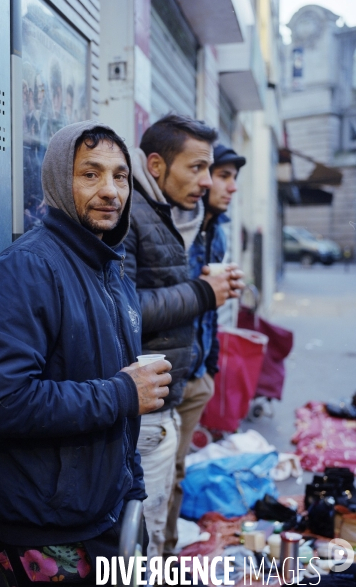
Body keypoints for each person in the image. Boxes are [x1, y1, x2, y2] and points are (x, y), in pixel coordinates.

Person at [0, 121, 172, 586]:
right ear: (60, 179)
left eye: (120, 176)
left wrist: (131, 488)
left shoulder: (110, 271)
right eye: (90, 174)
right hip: (47, 527)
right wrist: (122, 393)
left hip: (104, 512)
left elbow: (120, 399)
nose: (110, 191)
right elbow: (1, 403)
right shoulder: (27, 270)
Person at [123, 114, 239, 560]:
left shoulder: (168, 212)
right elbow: (127, 310)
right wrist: (203, 292)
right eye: (197, 168)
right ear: (155, 166)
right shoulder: (131, 214)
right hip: (143, 402)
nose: (207, 182)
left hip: (170, 390)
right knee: (140, 538)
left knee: (156, 520)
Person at [164, 143, 246, 556]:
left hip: (197, 375)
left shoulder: (219, 231)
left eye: (234, 178)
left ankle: (167, 557)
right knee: (162, 474)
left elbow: (210, 312)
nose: (229, 186)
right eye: (223, 175)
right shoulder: (177, 226)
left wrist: (211, 368)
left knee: (177, 474)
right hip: (167, 377)